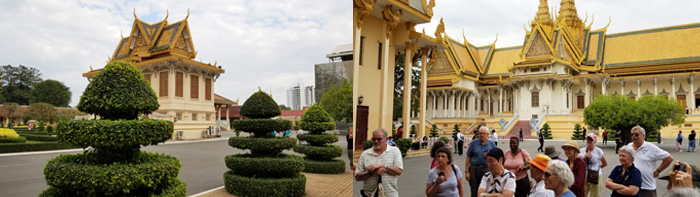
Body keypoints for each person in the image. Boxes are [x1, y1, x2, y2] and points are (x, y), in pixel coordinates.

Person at [626, 125, 675, 197]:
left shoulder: (651, 147)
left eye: (636, 134)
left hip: (646, 187)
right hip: (631, 185)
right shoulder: (629, 146)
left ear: (643, 136)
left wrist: (658, 170)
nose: (634, 136)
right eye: (632, 134)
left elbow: (669, 158)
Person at [355, 128, 404, 197]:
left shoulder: (395, 151)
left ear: (386, 139)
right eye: (373, 139)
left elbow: (398, 171)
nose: (375, 141)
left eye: (379, 139)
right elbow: (357, 177)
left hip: (390, 194)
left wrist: (383, 165)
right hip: (369, 194)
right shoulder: (365, 154)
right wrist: (371, 172)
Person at [465, 126, 496, 197]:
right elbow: (468, 157)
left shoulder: (492, 144)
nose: (482, 135)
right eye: (480, 133)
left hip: (487, 169)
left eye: (484, 133)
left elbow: (495, 158)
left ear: (487, 134)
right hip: (474, 169)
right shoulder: (473, 143)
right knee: (474, 190)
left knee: (487, 189)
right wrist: (467, 171)